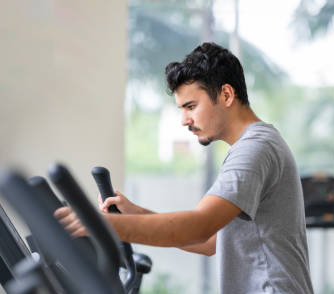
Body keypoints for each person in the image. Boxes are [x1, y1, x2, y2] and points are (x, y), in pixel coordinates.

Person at [55, 42, 314, 294]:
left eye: (191, 107)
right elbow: (211, 241)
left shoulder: (255, 149)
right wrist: (136, 213)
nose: (184, 120)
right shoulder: (254, 146)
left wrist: (97, 223)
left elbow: (199, 227)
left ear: (226, 95)